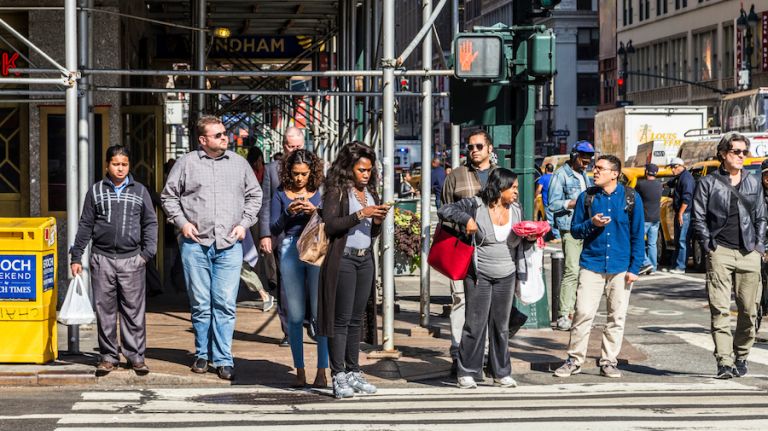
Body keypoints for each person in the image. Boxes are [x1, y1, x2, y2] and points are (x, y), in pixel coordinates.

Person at [161, 115, 262, 381]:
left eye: (224, 133)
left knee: (225, 304)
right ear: (203, 140)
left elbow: (255, 195)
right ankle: (202, 354)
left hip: (229, 245)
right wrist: (182, 223)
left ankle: (223, 358)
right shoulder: (186, 164)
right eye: (217, 135)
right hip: (196, 245)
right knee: (201, 303)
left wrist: (244, 224)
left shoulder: (239, 164)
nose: (224, 138)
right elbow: (168, 196)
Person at [437, 168, 534, 389]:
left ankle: (501, 372)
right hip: (479, 274)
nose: (517, 192)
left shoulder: (517, 210)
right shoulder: (475, 205)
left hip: (506, 274)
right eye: (513, 188)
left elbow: (520, 241)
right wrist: (465, 219)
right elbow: (444, 210)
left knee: (501, 325)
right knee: (475, 323)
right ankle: (468, 371)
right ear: (500, 188)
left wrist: (530, 237)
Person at [554, 155, 645, 379]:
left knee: (616, 317)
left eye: (601, 169)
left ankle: (608, 361)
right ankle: (574, 360)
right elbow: (575, 231)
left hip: (620, 267)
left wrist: (634, 268)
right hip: (591, 264)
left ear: (614, 173)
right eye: (595, 168)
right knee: (583, 313)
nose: (595, 171)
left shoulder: (631, 198)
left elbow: (637, 234)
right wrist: (591, 223)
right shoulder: (587, 197)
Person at [70, 145, 158, 376]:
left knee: (133, 310)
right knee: (105, 310)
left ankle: (136, 356)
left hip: (132, 260)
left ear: (129, 166)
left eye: (124, 164)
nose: (120, 168)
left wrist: (146, 254)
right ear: (107, 165)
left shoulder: (140, 191)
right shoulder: (96, 191)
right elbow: (86, 225)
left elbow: (150, 223)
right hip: (102, 258)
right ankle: (108, 356)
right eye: (116, 164)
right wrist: (77, 255)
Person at [318, 142, 390, 399]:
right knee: (341, 319)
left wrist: (377, 220)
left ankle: (353, 371)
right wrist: (361, 214)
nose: (366, 174)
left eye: (369, 170)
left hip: (365, 259)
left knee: (357, 320)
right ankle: (337, 374)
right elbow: (331, 225)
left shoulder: (369, 192)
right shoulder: (337, 190)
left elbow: (371, 234)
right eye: (361, 169)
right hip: (344, 259)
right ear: (348, 168)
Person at [691, 133, 766, 379]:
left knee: (749, 310)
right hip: (720, 251)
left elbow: (761, 217)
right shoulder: (708, 183)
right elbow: (698, 217)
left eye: (745, 152)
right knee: (720, 309)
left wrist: (759, 246)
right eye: (736, 151)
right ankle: (724, 362)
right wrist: (708, 245)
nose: (741, 156)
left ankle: (741, 353)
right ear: (723, 153)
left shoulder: (753, 182)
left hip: (749, 252)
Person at [270, 149, 329, 388]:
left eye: (304, 174)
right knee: (294, 315)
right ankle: (300, 369)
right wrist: (288, 212)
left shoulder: (321, 192)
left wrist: (315, 211)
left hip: (316, 248)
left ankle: (322, 371)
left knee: (319, 313)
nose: (299, 179)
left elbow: (332, 219)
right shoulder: (280, 194)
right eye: (295, 174)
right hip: (290, 248)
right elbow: (273, 227)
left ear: (312, 172)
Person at [440, 129, 496, 375]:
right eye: (470, 147)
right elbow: (445, 209)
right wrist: (463, 225)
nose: (473, 150)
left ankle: (484, 355)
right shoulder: (457, 176)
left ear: (489, 149)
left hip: (493, 250)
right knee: (461, 300)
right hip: (463, 246)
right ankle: (458, 353)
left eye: (479, 146)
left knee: (491, 303)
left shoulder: (499, 176)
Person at [258, 126, 306, 347]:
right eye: (290, 145)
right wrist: (265, 234)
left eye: (298, 146)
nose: (294, 149)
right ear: (283, 145)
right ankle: (289, 331)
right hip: (282, 234)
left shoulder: (314, 168)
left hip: (309, 234)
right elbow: (265, 203)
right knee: (285, 285)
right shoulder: (271, 170)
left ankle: (309, 321)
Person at [547, 141, 595, 331]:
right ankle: (564, 314)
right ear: (574, 156)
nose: (586, 165)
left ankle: (577, 312)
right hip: (570, 227)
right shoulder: (561, 175)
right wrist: (572, 203)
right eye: (583, 161)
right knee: (572, 271)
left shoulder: (583, 175)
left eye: (588, 162)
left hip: (586, 226)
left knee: (584, 272)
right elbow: (552, 204)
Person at [241, 145, 274, 310]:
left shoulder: (265, 171)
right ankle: (262, 283)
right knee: (251, 252)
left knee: (264, 251)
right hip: (252, 218)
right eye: (256, 161)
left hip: (260, 216)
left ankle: (268, 282)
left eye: (259, 160)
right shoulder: (250, 173)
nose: (258, 163)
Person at [667, 157, 694, 274]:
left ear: (678, 166)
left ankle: (681, 267)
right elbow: (670, 182)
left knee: (683, 240)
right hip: (680, 212)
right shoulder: (680, 177)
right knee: (678, 240)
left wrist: (681, 213)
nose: (672, 171)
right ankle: (675, 265)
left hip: (685, 213)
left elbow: (687, 198)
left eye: (673, 168)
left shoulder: (687, 179)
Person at [635, 163, 663, 274]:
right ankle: (653, 267)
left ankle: (646, 263)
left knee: (638, 241)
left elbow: (634, 197)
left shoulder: (641, 185)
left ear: (646, 172)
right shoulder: (659, 185)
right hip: (656, 218)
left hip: (644, 218)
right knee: (652, 244)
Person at [536, 163, 559, 242]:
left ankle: (557, 236)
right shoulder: (555, 177)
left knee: (550, 220)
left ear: (546, 169)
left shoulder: (543, 178)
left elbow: (539, 189)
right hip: (556, 201)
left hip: (547, 202)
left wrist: (535, 196)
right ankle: (554, 235)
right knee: (555, 218)